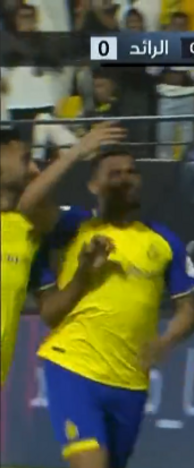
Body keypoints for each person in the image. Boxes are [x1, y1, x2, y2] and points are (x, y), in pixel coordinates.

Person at [36, 146, 194, 468]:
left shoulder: (162, 242)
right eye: (114, 173)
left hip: (129, 383)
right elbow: (31, 203)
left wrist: (167, 340)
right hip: (72, 365)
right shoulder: (74, 227)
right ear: (94, 184)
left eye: (132, 172)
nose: (126, 179)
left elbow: (190, 307)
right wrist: (77, 151)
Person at [2, 123, 125, 386]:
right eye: (25, 160)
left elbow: (50, 312)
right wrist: (76, 152)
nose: (35, 170)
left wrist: (82, 274)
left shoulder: (29, 233)